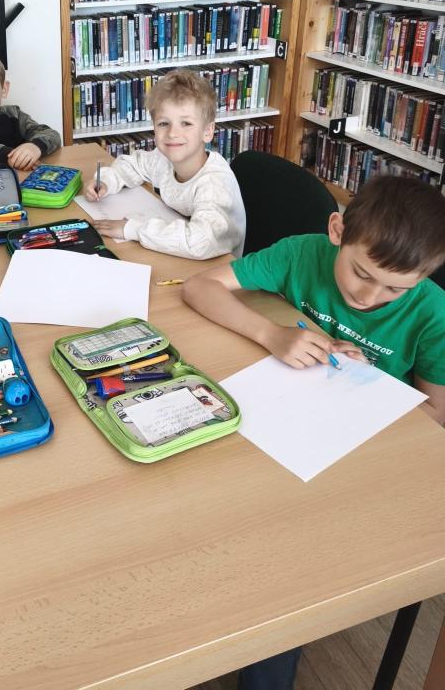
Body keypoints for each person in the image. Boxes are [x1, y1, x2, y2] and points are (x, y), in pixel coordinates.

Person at [183, 174, 445, 690]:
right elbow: (198, 286)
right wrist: (272, 333)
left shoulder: (434, 313)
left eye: (396, 288)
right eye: (361, 273)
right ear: (337, 230)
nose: (371, 296)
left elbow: (434, 413)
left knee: (282, 572)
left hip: (356, 458)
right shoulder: (302, 253)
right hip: (274, 426)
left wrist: (371, 385)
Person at [82, 69, 245, 258]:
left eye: (186, 123)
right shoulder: (164, 159)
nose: (172, 133)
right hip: (176, 252)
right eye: (163, 124)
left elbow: (199, 242)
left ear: (207, 132)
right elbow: (133, 165)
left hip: (218, 265)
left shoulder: (215, 185)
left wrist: (132, 229)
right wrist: (106, 181)